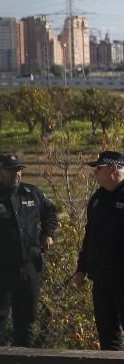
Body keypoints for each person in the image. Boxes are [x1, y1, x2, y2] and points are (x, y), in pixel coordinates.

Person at [0, 154, 58, 347]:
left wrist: (47, 233)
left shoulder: (32, 193)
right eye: (11, 170)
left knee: (26, 325)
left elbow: (50, 212)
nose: (17, 174)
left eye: (19, 169)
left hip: (29, 269)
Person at [73, 150, 124, 351]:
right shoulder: (97, 199)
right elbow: (90, 236)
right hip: (102, 278)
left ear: (113, 169)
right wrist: (81, 268)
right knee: (107, 333)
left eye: (99, 169)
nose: (95, 174)